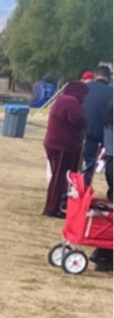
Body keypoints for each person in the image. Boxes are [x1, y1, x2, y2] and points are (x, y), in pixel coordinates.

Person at [42, 79, 88, 217]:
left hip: (53, 142)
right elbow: (78, 120)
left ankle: (53, 206)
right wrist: (86, 123)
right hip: (62, 144)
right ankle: (51, 208)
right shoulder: (71, 102)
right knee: (59, 177)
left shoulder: (62, 99)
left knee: (58, 176)